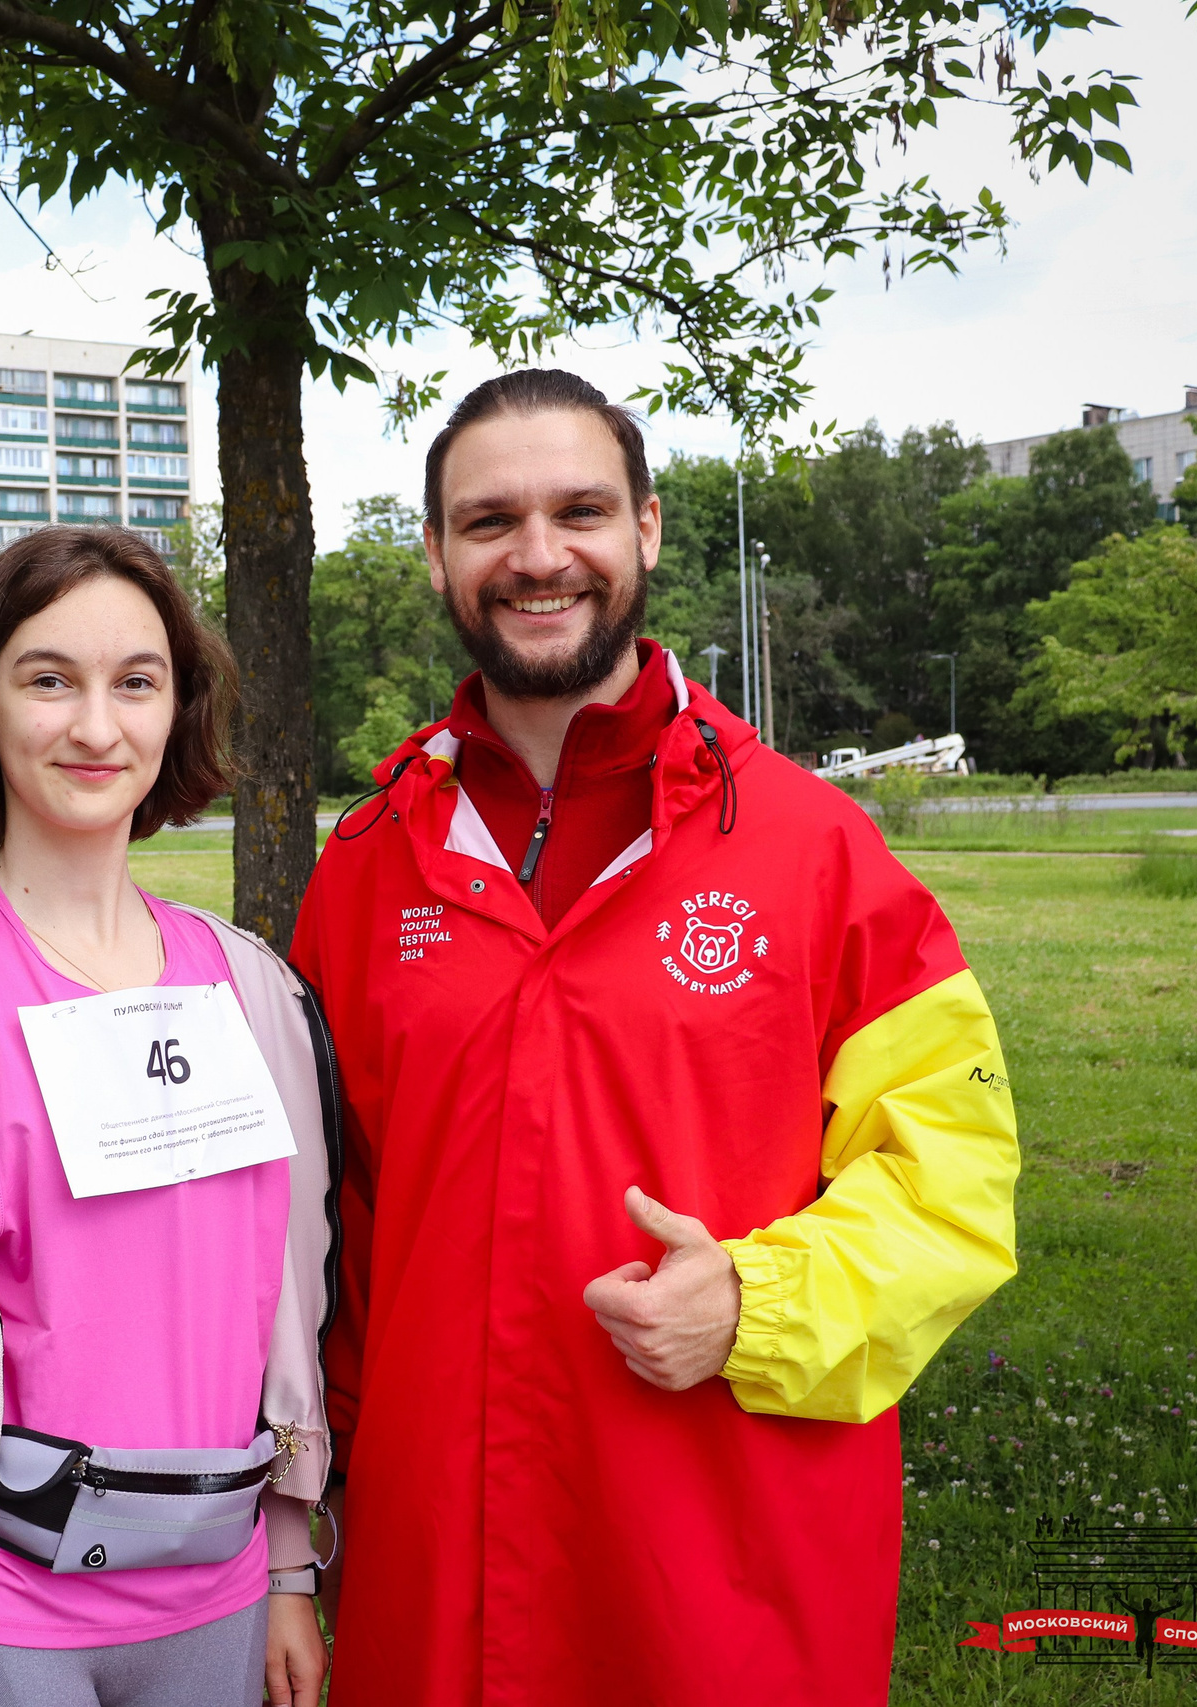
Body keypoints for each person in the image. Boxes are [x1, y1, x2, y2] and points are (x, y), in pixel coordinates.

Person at [292, 370, 1021, 1705]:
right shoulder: (365, 865)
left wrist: (759, 1298)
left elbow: (952, 1183)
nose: (538, 554)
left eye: (580, 509)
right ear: (438, 553)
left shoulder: (816, 849)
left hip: (724, 1577)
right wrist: (307, 1512)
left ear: (649, 530)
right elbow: (323, 1235)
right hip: (437, 1580)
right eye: (488, 519)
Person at [0, 527, 335, 1707]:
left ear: (176, 708)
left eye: (135, 682)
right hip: (0, 1618)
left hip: (224, 1598)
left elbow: (280, 1299)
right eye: (50, 679)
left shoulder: (251, 990)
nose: (97, 727)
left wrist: (290, 1565)